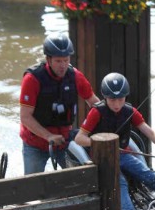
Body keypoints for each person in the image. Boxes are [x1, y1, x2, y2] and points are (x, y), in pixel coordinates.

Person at [75, 72, 155, 210]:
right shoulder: (96, 112)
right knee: (120, 182)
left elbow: (149, 132)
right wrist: (104, 143)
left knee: (147, 173)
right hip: (102, 159)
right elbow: (79, 138)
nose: (117, 104)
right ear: (105, 97)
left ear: (125, 97)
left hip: (122, 154)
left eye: (120, 99)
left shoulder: (130, 111)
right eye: (112, 99)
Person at [19, 33, 100, 175]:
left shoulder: (75, 76)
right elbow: (25, 117)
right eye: (58, 61)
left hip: (64, 142)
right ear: (48, 60)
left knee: (79, 180)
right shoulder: (32, 79)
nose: (63, 66)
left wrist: (110, 117)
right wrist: (48, 136)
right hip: (35, 144)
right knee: (32, 189)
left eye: (66, 60)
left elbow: (94, 103)